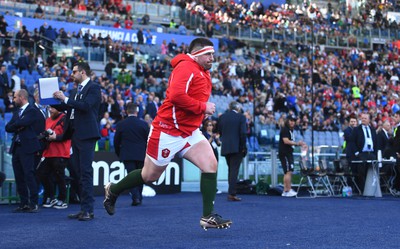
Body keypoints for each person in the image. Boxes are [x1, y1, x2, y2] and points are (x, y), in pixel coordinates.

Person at [103, 37, 232, 230]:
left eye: (213, 54)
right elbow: (176, 96)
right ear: (196, 54)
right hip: (168, 131)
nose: (212, 57)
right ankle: (113, 190)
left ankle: (207, 216)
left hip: (188, 132)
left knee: (210, 163)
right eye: (208, 54)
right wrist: (202, 107)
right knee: (149, 176)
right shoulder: (186, 67)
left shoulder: (200, 70)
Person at [53, 62, 101, 221]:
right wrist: (53, 101)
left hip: (87, 135)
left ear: (83, 72)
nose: (72, 74)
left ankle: (88, 210)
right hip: (75, 134)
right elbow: (68, 108)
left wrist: (65, 99)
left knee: (85, 172)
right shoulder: (75, 91)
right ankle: (83, 209)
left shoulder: (93, 88)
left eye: (74, 72)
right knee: (78, 173)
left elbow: (85, 106)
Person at [5, 89, 45, 213]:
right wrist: (20, 124)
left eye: (15, 97)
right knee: (19, 176)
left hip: (27, 148)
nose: (13, 99)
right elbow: (8, 127)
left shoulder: (32, 110)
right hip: (16, 148)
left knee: (29, 174)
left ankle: (33, 203)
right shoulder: (17, 112)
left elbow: (24, 122)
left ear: (22, 97)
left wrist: (18, 124)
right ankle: (23, 203)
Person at [114, 103, 150, 206]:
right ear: (137, 111)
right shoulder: (143, 124)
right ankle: (139, 196)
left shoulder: (121, 124)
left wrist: (119, 153)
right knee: (140, 176)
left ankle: (136, 197)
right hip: (141, 154)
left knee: (131, 176)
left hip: (127, 154)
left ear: (126, 111)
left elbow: (116, 141)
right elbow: (148, 140)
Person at [37, 106, 71, 209]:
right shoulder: (47, 120)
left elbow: (68, 135)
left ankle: (62, 199)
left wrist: (55, 137)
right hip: (48, 152)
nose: (51, 110)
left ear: (59, 108)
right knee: (41, 174)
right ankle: (51, 197)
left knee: (59, 176)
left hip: (61, 152)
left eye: (53, 108)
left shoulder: (65, 118)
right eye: (49, 108)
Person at [218, 101, 247, 201]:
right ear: (238, 108)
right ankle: (232, 193)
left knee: (231, 170)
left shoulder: (222, 117)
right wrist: (243, 146)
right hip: (237, 147)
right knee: (234, 170)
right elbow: (243, 133)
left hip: (226, 147)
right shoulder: (241, 117)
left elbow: (219, 131)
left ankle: (231, 191)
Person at [348, 113, 377, 193]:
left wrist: (375, 153)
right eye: (362, 118)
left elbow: (375, 141)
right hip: (362, 154)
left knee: (373, 170)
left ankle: (373, 189)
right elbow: (352, 142)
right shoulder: (356, 129)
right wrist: (357, 153)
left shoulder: (372, 129)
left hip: (371, 153)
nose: (363, 119)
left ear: (369, 120)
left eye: (365, 118)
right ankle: (363, 190)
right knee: (361, 172)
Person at [278, 115, 305, 197]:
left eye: (293, 120)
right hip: (285, 152)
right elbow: (286, 141)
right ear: (287, 121)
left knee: (287, 171)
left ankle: (285, 190)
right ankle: (288, 189)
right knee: (288, 171)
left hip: (288, 152)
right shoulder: (285, 129)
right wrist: (297, 143)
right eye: (290, 120)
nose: (292, 122)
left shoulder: (290, 130)